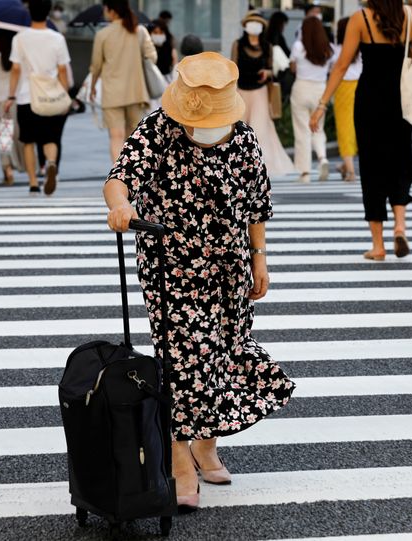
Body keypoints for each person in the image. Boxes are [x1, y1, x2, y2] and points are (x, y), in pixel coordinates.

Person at [104, 52, 295, 513]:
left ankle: (206, 445)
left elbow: (256, 205)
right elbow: (120, 177)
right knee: (184, 358)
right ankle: (177, 456)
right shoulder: (159, 129)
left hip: (228, 268)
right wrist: (121, 206)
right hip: (172, 267)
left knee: (224, 353)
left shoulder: (244, 139)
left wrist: (259, 258)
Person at [311, 0, 412, 261]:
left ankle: (378, 245)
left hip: (370, 102)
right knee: (401, 161)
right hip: (402, 101)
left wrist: (322, 104)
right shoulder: (410, 16)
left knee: (372, 168)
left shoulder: (361, 19)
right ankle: (400, 225)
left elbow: (342, 65)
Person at [5, 0, 70, 196]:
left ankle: (33, 182)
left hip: (27, 96)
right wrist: (65, 94)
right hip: (50, 97)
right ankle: (50, 164)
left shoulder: (19, 38)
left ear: (29, 12)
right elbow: (62, 70)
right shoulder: (57, 38)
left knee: (28, 141)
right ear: (48, 12)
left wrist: (10, 95)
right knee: (50, 138)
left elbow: (15, 69)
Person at [89, 0, 157, 163]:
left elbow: (96, 65)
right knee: (134, 136)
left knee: (116, 136)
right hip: (136, 91)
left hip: (112, 93)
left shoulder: (103, 34)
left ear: (111, 11)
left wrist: (92, 87)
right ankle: (133, 174)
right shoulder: (139, 31)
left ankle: (118, 179)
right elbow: (152, 57)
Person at [232, 11, 294, 178]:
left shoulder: (267, 46)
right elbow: (233, 67)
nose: (254, 26)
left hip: (260, 91)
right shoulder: (237, 44)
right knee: (238, 129)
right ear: (245, 26)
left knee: (260, 129)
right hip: (241, 90)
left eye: (258, 23)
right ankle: (239, 164)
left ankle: (259, 163)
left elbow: (273, 70)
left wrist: (267, 73)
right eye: (251, 22)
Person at [290, 15, 334, 183]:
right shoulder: (327, 48)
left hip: (301, 88)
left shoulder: (298, 46)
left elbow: (293, 68)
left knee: (302, 130)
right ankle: (322, 158)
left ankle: (305, 172)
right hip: (320, 91)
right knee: (318, 128)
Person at [0, 30, 24, 185]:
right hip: (13, 102)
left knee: (4, 139)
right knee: (15, 137)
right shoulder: (16, 60)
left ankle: (7, 170)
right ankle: (21, 166)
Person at [333, 16, 362, 183]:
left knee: (345, 128)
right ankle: (346, 166)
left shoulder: (337, 50)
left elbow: (334, 69)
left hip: (343, 88)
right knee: (357, 127)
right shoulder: (360, 49)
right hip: (360, 88)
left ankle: (350, 171)